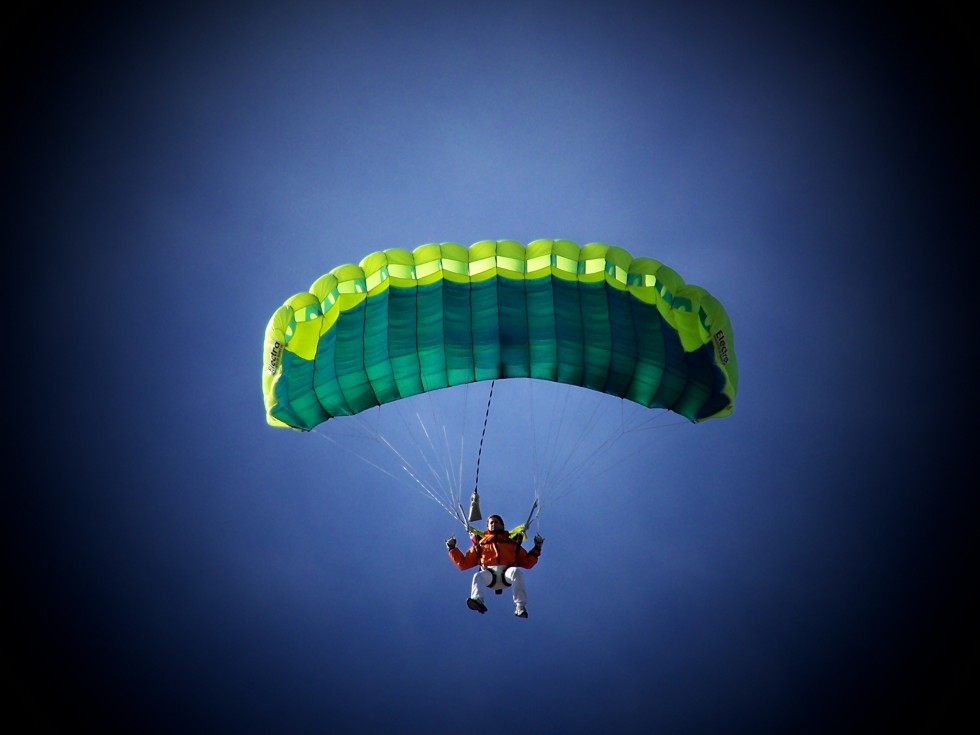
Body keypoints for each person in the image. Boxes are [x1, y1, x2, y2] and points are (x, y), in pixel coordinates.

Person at [445, 514, 544, 618]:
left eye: (496, 522)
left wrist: (537, 547)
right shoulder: (481, 545)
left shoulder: (512, 544)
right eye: (491, 523)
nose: (493, 524)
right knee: (478, 576)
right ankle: (477, 600)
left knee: (516, 572)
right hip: (489, 575)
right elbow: (463, 564)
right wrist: (452, 548)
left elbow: (528, 562)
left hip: (507, 573)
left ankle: (520, 606)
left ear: (502, 525)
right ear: (487, 526)